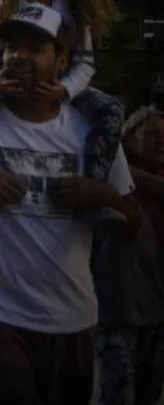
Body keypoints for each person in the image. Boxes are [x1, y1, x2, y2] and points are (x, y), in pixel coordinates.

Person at [0, 3, 139, 405]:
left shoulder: (91, 133)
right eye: (12, 47)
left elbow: (132, 227)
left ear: (62, 60)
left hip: (73, 321)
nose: (20, 56)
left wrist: (103, 195)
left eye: (36, 47)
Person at [93, 107, 164, 405]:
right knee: (117, 395)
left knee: (148, 395)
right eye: (151, 135)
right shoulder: (112, 182)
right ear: (130, 138)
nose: (160, 143)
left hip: (158, 313)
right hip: (116, 310)